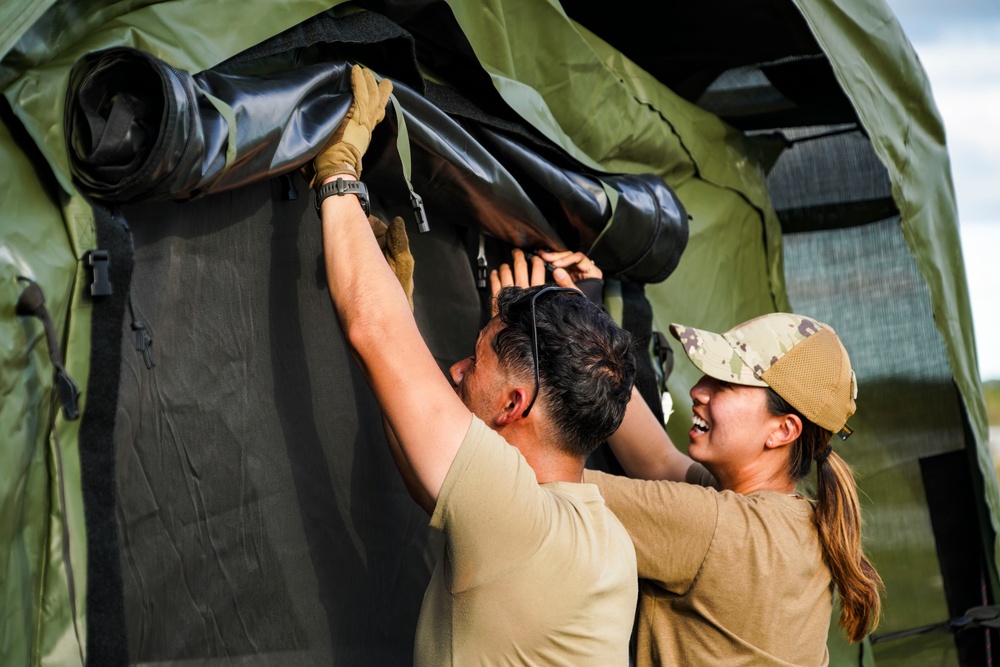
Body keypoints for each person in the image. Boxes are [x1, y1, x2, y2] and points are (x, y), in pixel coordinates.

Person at [315, 65, 639, 666]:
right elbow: (426, 477)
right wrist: (398, 332)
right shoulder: (602, 537)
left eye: (475, 360)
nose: (456, 370)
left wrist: (337, 174)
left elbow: (371, 329)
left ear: (516, 405)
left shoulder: (523, 523)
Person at [494, 249, 884, 666]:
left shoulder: (721, 529)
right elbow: (658, 459)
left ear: (782, 430)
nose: (699, 390)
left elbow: (538, 476)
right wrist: (584, 329)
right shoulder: (792, 523)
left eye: (724, 383)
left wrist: (513, 339)